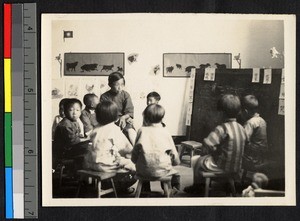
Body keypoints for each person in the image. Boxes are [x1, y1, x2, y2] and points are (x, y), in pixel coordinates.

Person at [184, 94, 247, 194]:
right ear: (238, 112)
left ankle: (198, 186)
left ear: (221, 113)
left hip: (221, 166)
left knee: (196, 160)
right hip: (236, 167)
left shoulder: (222, 128)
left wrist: (210, 152)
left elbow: (208, 144)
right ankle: (227, 185)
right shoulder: (242, 128)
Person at [84, 100, 136, 194]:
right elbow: (126, 148)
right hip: (106, 166)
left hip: (92, 164)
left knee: (118, 158)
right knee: (134, 166)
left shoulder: (95, 129)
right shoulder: (114, 129)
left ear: (97, 116)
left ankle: (109, 185)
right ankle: (120, 187)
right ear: (116, 117)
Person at [131, 104, 181, 195]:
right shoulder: (165, 132)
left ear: (145, 117)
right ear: (162, 118)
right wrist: (175, 162)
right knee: (174, 172)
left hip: (143, 170)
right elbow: (173, 152)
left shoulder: (141, 130)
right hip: (163, 170)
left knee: (145, 162)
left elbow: (135, 151)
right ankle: (172, 190)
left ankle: (144, 190)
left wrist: (134, 160)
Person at [100, 72, 136, 145]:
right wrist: (115, 120)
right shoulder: (104, 97)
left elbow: (129, 111)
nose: (120, 87)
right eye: (117, 85)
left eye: (122, 84)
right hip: (110, 121)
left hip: (124, 120)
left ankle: (137, 149)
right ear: (110, 85)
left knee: (131, 131)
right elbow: (104, 113)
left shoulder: (125, 95)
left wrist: (125, 117)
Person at [53, 98, 90, 169]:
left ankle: (79, 172)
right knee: (88, 151)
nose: (74, 113)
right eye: (71, 110)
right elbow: (72, 141)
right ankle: (81, 173)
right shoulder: (65, 124)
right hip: (64, 152)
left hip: (71, 148)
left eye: (77, 110)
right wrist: (86, 139)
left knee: (90, 147)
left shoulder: (75, 122)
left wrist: (84, 138)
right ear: (65, 111)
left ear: (81, 111)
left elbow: (78, 135)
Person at [241, 95, 268, 166]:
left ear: (245, 111)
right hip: (261, 156)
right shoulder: (262, 120)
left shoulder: (250, 123)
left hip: (252, 157)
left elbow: (244, 140)